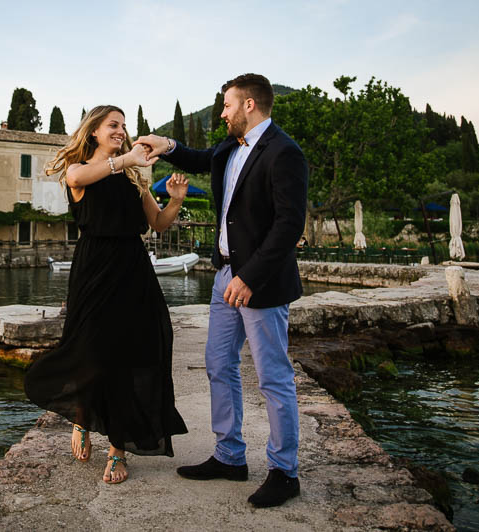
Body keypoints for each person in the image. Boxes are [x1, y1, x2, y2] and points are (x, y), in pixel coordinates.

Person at [135, 73, 308, 507]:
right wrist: (167, 145)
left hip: (258, 283)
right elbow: (199, 158)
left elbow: (289, 225)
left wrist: (250, 278)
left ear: (249, 105)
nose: (222, 113)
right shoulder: (231, 147)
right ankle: (230, 457)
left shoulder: (285, 152)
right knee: (218, 364)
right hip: (223, 276)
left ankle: (285, 472)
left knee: (273, 378)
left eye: (227, 105)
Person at [24, 105, 189, 484]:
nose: (121, 130)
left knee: (135, 354)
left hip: (133, 271)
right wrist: (125, 160)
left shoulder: (134, 178)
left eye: (124, 126)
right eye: (113, 125)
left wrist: (175, 199)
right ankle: (82, 417)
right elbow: (78, 174)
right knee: (91, 351)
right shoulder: (79, 173)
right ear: (94, 132)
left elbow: (159, 224)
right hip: (94, 271)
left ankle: (118, 448)